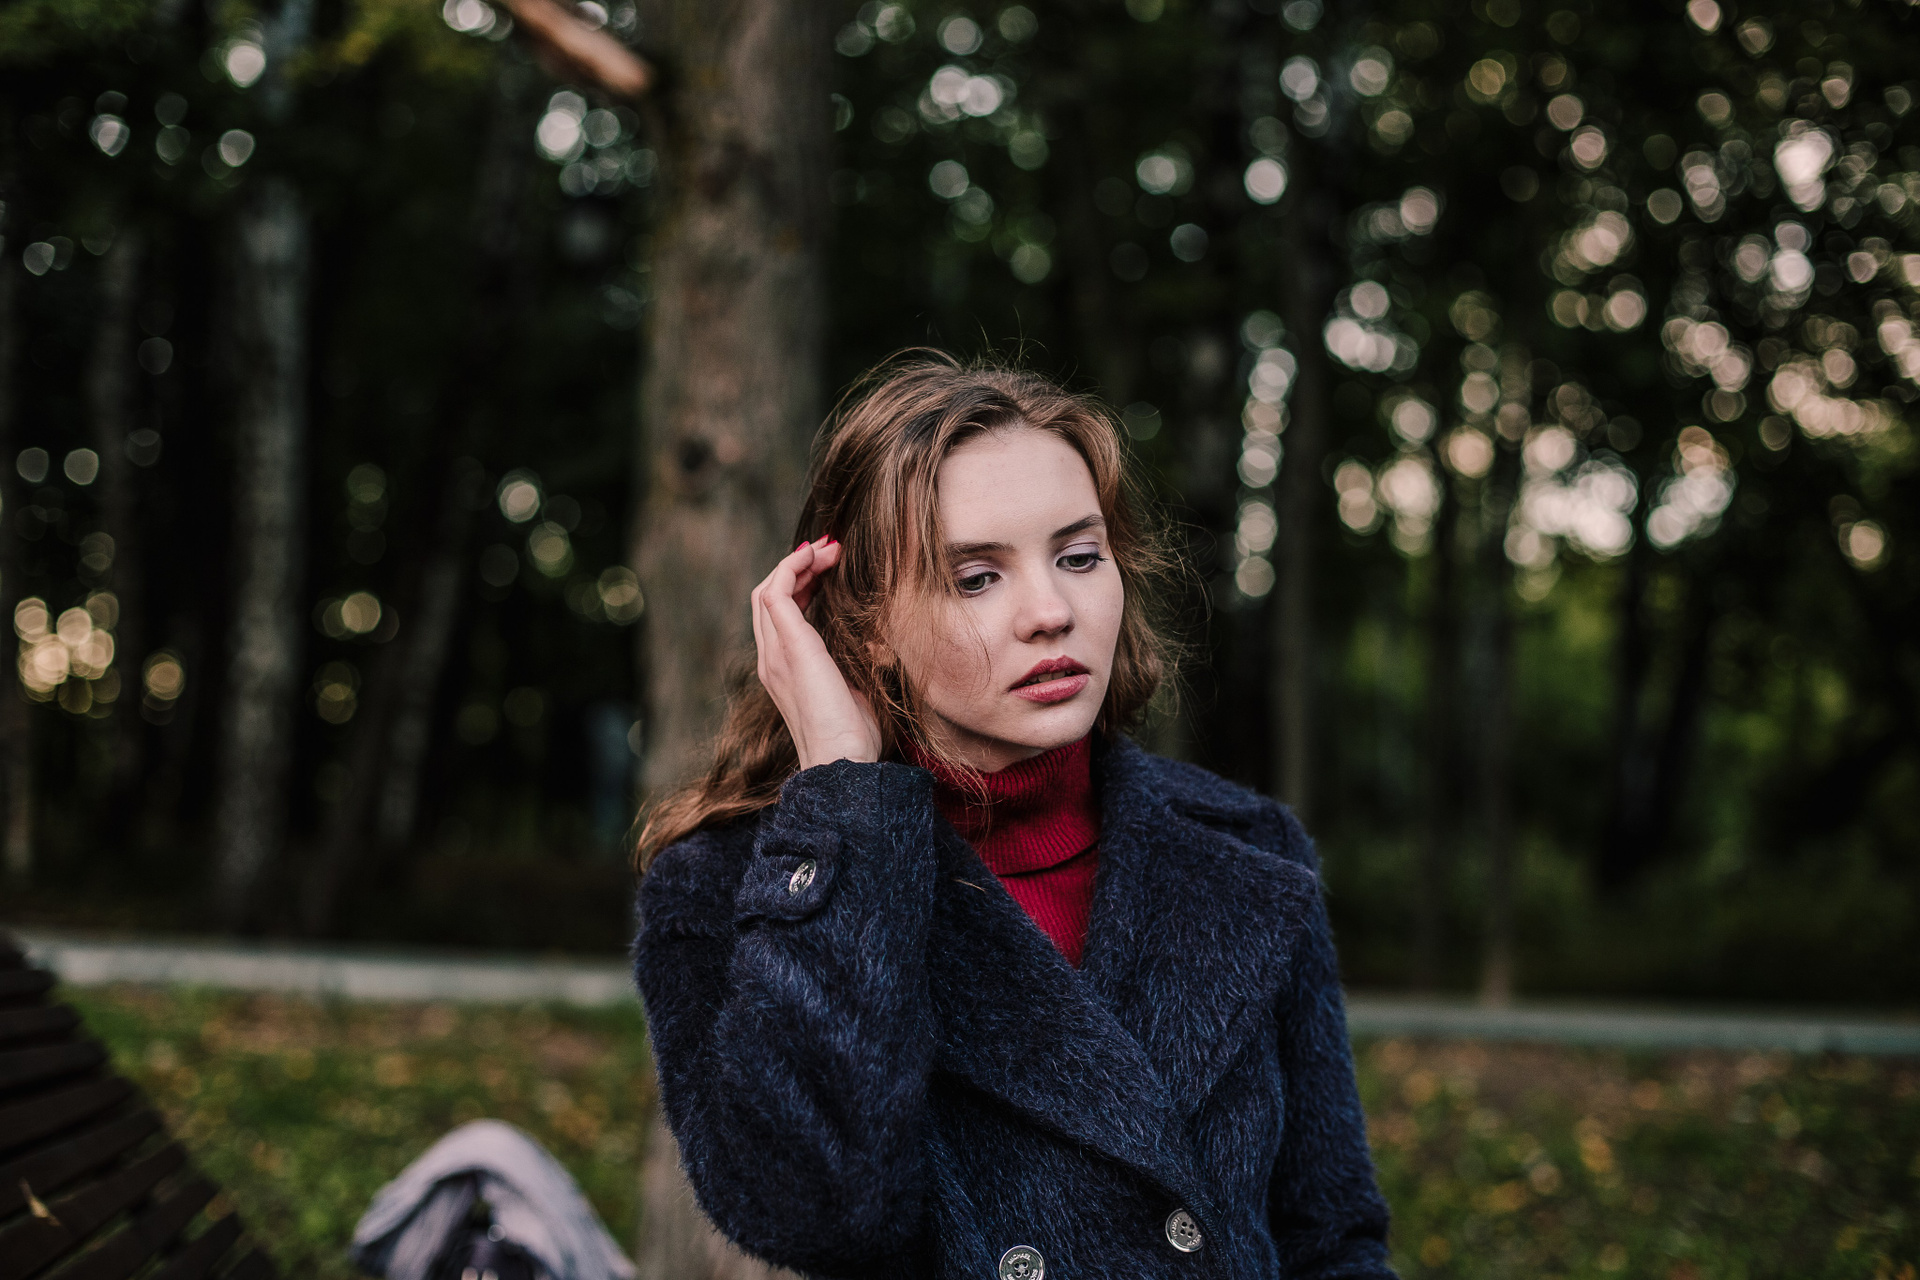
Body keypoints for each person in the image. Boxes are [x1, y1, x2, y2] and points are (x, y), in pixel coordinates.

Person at [631, 355, 1395, 1280]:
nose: (1050, 612)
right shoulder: (730, 889)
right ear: (867, 626)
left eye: (1079, 557)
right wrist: (841, 795)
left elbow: (1333, 1240)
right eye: (975, 577)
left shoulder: (1248, 850)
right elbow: (818, 1214)